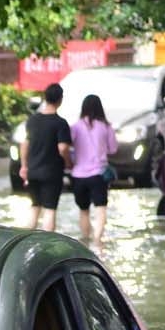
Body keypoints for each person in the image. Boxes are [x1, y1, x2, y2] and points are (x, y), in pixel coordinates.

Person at [20, 82, 71, 232]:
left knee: (35, 207)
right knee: (50, 209)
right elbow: (63, 148)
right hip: (52, 172)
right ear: (60, 100)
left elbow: (25, 144)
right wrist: (68, 162)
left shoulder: (33, 120)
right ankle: (47, 244)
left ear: (45, 98)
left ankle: (26, 240)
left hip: (33, 171)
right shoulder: (60, 123)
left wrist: (24, 166)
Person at [68, 94, 117, 247]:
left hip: (78, 175)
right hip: (98, 174)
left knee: (84, 211)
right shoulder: (106, 127)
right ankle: (98, 242)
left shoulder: (75, 127)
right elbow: (113, 149)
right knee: (100, 210)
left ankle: (85, 242)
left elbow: (68, 146)